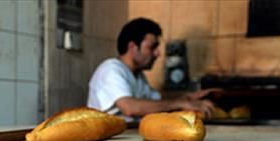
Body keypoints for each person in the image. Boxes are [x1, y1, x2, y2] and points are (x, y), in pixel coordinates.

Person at [87, 18, 216, 120]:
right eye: (152, 47)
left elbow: (157, 99)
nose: (157, 54)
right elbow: (130, 107)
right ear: (132, 47)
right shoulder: (111, 69)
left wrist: (189, 96)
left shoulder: (138, 76)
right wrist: (181, 103)